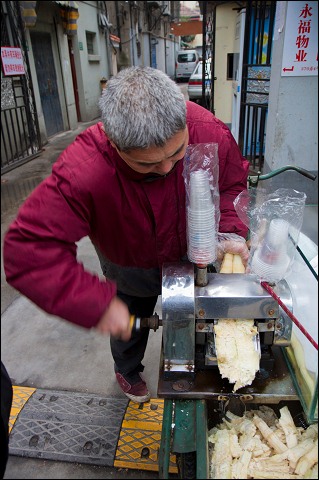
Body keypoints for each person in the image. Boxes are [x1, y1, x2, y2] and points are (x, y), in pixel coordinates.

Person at [3, 66, 250, 404]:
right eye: (146, 165)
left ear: (183, 117)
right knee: (130, 320)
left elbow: (233, 185)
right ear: (114, 143)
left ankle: (194, 363)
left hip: (198, 250)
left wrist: (230, 231)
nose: (165, 170)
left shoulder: (209, 130)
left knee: (196, 316)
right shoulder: (85, 168)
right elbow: (28, 251)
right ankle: (127, 368)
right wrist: (97, 305)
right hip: (129, 260)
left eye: (177, 155)